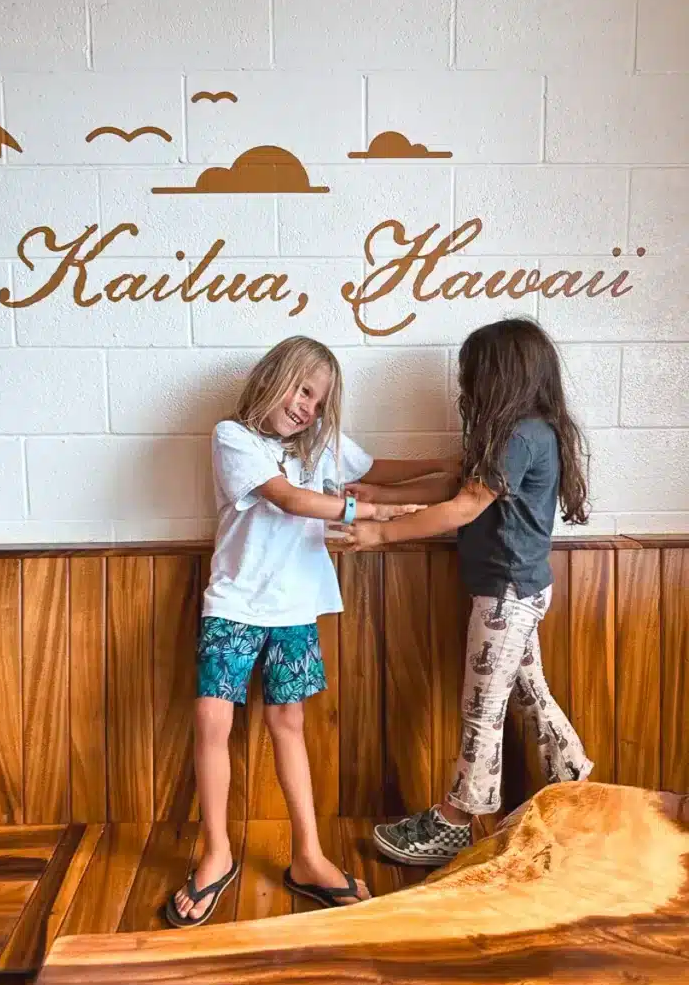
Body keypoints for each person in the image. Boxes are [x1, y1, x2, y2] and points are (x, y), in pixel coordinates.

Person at [167, 335, 455, 926]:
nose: (308, 407)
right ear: (274, 378)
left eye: (319, 401)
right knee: (211, 720)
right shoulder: (234, 438)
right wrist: (369, 513)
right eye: (303, 390)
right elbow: (289, 500)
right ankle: (217, 853)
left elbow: (373, 469)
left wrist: (441, 465)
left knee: (288, 724)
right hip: (235, 605)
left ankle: (308, 857)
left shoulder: (321, 445)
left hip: (295, 609)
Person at [342, 318, 594, 868]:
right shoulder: (517, 435)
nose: (466, 388)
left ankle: (457, 818)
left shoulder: (521, 434)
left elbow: (462, 507)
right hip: (515, 592)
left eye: (474, 375)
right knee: (530, 694)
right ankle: (578, 788)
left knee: (482, 710)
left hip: (506, 597)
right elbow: (454, 486)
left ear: (502, 376)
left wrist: (381, 530)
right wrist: (378, 492)